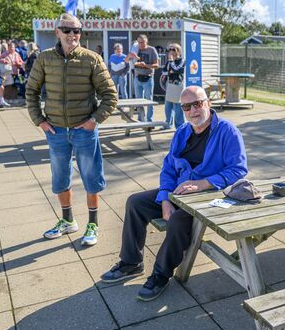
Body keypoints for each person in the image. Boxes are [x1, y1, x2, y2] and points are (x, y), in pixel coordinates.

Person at [101, 86, 248, 301]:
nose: (193, 110)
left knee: (178, 220)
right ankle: (131, 262)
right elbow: (168, 169)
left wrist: (203, 184)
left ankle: (161, 274)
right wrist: (165, 199)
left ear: (208, 103)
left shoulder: (227, 131)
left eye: (197, 104)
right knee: (135, 202)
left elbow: (238, 169)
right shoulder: (182, 132)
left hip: (209, 195)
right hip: (179, 191)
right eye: (187, 107)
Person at [26, 13, 118, 246]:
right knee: (59, 179)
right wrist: (39, 121)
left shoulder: (92, 59)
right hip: (56, 131)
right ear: (57, 32)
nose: (72, 35)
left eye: (76, 30)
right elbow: (31, 91)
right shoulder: (44, 59)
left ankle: (92, 224)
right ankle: (68, 221)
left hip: (84, 131)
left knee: (91, 178)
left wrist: (94, 121)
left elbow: (110, 95)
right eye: (66, 30)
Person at [126, 35, 158, 122]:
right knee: (138, 101)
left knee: (149, 101)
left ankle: (149, 121)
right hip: (137, 77)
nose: (141, 44)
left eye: (142, 42)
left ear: (146, 41)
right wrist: (129, 56)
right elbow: (126, 61)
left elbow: (157, 65)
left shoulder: (152, 50)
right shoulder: (136, 49)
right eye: (139, 42)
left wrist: (145, 65)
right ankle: (140, 119)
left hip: (148, 78)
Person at [162, 43, 186, 129]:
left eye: (173, 49)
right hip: (169, 84)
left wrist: (171, 63)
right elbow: (164, 71)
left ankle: (180, 126)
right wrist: (171, 70)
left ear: (178, 51)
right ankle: (168, 124)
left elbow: (177, 69)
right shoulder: (169, 61)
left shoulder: (182, 60)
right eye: (170, 49)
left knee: (177, 107)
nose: (171, 51)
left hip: (177, 84)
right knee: (167, 106)